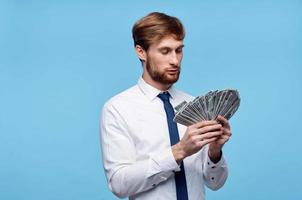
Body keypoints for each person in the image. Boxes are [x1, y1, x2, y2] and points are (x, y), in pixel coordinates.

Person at [100, 12, 232, 200]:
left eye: (178, 50)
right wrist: (179, 151)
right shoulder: (117, 109)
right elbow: (119, 184)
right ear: (141, 52)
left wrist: (214, 151)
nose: (175, 61)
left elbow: (215, 183)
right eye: (165, 51)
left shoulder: (194, 104)